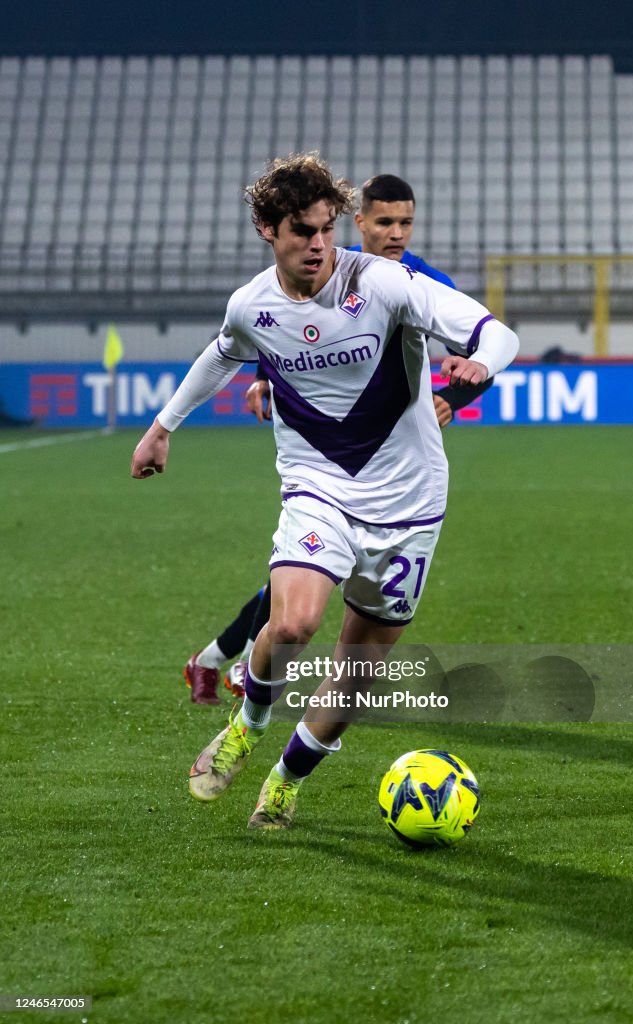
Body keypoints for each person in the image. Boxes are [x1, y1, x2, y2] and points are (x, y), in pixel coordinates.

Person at [131, 152, 518, 830]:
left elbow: (496, 331)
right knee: (293, 622)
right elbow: (221, 353)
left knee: (356, 672)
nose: (316, 245)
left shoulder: (388, 284)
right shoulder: (252, 306)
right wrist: (163, 427)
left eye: (324, 230)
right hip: (320, 490)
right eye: (300, 232)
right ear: (266, 231)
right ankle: (246, 725)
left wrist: (478, 361)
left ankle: (284, 780)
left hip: (408, 502)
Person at [184, 173, 494, 704]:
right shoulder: (329, 264)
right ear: (361, 222)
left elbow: (480, 346)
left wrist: (452, 398)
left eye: (406, 223)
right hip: (328, 456)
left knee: (309, 577)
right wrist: (263, 377)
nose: (396, 233)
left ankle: (216, 658)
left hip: (393, 462)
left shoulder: (419, 280)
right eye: (385, 222)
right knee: (302, 578)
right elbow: (282, 324)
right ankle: (231, 664)